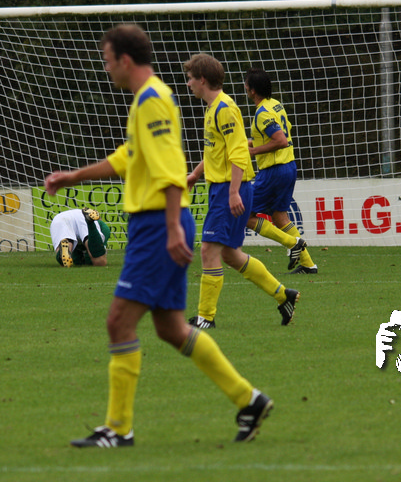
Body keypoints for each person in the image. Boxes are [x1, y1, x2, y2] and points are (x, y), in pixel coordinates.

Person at [44, 24, 272, 447]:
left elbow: (168, 170)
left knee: (118, 322)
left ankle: (118, 428)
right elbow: (128, 157)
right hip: (157, 223)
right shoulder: (147, 99)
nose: (106, 68)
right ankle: (249, 399)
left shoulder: (152, 100)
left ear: (125, 60)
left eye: (107, 60)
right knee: (170, 328)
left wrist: (170, 229)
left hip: (157, 225)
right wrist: (74, 176)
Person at [183, 53, 298, 330]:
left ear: (202, 79)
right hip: (223, 188)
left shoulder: (225, 108)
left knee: (208, 250)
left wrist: (234, 192)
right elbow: (216, 151)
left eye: (190, 78)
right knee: (230, 255)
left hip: (229, 189)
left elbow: (237, 152)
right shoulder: (213, 108)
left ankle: (205, 317)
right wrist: (195, 174)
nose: (188, 84)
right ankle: (284, 295)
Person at [243, 67, 318, 274]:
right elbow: (276, 135)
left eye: (246, 84)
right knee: (279, 217)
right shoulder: (275, 105)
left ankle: (292, 243)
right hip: (288, 166)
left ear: (252, 90)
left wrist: (253, 151)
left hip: (274, 171)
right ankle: (308, 264)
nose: (245, 87)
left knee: (245, 215)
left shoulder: (262, 113)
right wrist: (247, 143)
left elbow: (280, 140)